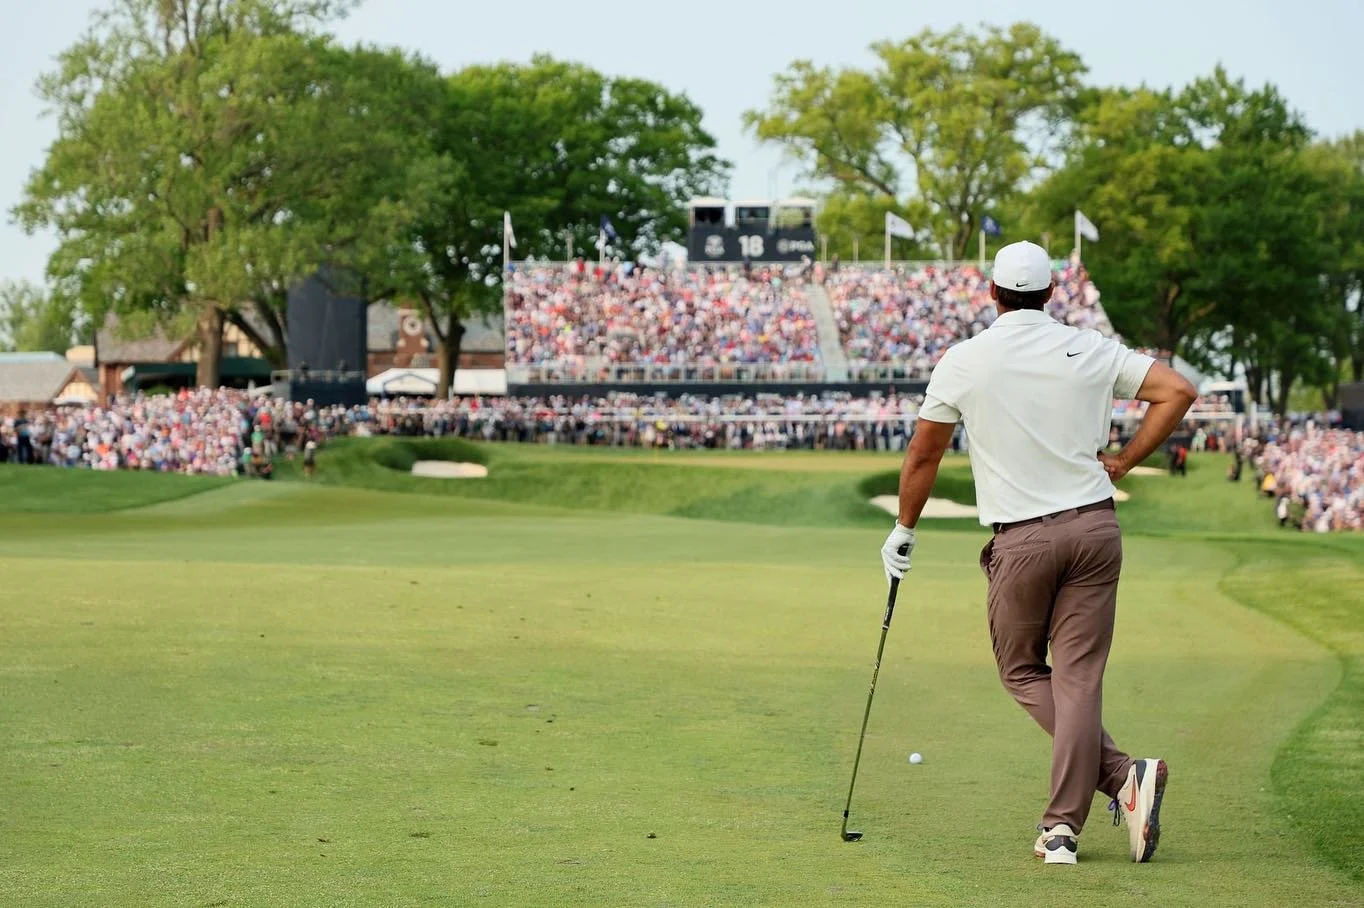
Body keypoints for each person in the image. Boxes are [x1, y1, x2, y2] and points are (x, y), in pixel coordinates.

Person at [879, 241, 1196, 866]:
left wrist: (904, 529)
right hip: (1096, 530)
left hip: (1022, 539)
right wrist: (1126, 461)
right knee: (1079, 678)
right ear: (1052, 293)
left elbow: (924, 454)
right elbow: (1178, 391)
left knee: (1022, 670)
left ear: (992, 294)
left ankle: (1099, 796)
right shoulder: (1089, 348)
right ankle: (1075, 819)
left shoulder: (966, 359)